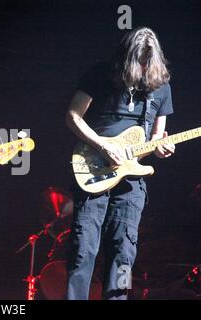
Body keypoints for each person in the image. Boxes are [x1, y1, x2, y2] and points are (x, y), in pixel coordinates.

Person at [65, 27, 176, 300]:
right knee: (84, 250)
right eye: (138, 60)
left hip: (130, 183)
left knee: (124, 253)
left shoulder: (161, 87)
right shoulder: (101, 74)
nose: (142, 67)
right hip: (94, 169)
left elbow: (156, 139)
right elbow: (73, 116)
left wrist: (162, 148)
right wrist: (103, 145)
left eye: (147, 62)